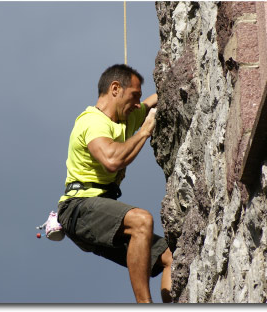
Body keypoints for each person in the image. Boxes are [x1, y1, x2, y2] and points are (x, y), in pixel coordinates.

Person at [57, 64, 172, 303]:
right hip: (78, 208)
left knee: (171, 256)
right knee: (141, 221)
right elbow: (111, 160)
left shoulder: (125, 119)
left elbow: (154, 100)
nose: (138, 104)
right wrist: (144, 133)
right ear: (115, 89)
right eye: (134, 96)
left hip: (97, 207)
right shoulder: (93, 122)